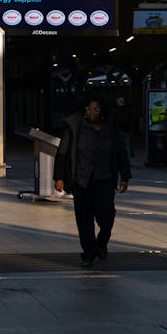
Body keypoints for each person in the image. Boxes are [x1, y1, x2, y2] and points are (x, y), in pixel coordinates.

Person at [53, 94, 132, 268]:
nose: (92, 112)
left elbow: (120, 152)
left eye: (96, 109)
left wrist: (125, 176)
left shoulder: (110, 127)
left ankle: (101, 242)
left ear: (102, 110)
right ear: (84, 109)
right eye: (89, 109)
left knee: (107, 216)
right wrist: (59, 177)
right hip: (82, 180)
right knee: (84, 220)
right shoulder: (74, 125)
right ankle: (88, 253)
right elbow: (63, 152)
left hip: (105, 179)